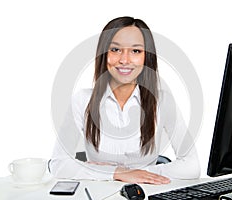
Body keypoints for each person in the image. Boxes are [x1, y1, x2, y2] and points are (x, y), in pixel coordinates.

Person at [49, 16, 200, 185]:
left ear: (146, 57)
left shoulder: (162, 100)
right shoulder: (83, 100)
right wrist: (115, 173)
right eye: (115, 50)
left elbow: (192, 166)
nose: (124, 60)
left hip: (144, 192)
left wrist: (138, 173)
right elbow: (58, 164)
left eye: (135, 51)